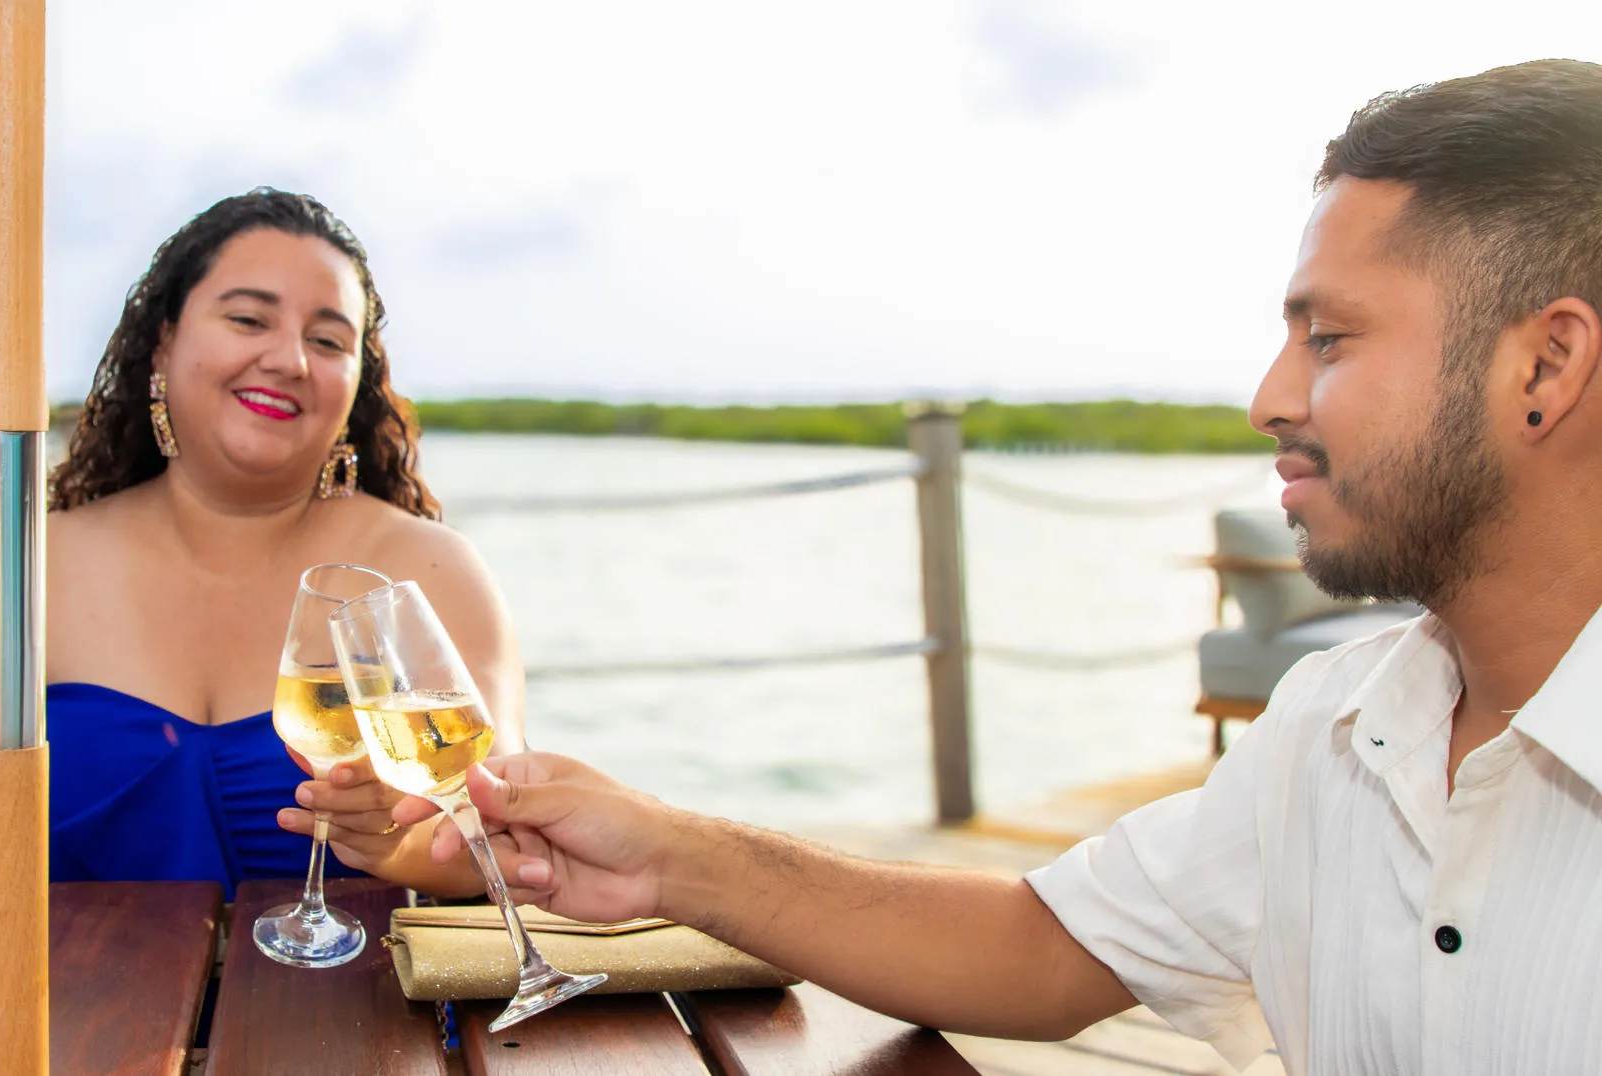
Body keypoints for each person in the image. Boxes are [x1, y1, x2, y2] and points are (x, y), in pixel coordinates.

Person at [384, 60, 1602, 1073]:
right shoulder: (1332, 727)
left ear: (1546, 366)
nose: (1269, 398)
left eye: (1328, 339)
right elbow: (1041, 947)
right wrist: (664, 851)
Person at [0, 188, 520, 899]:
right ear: (164, 342)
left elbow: (504, 843)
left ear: (355, 386)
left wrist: (393, 845)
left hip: (354, 1006)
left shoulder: (428, 569)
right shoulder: (26, 571)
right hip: (64, 1008)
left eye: (329, 340)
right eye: (249, 319)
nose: (290, 360)